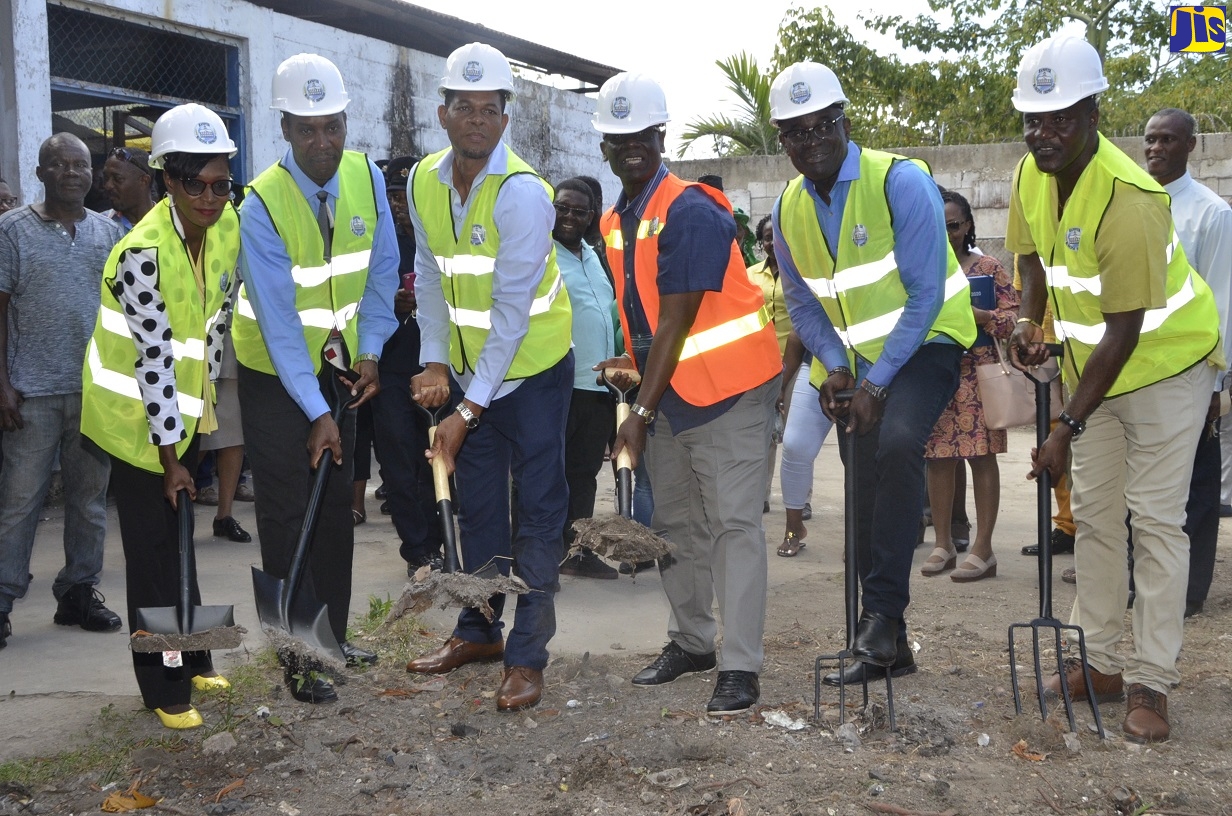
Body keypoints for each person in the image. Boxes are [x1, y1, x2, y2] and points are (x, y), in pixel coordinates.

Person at [1008, 36, 1222, 743]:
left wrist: (1064, 426)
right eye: (1033, 119)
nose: (1044, 133)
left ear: (1093, 112)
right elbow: (1033, 259)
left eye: (1060, 117)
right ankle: (1099, 664)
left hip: (1165, 368)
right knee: (1098, 519)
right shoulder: (1029, 174)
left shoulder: (1131, 197)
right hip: (1089, 372)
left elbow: (1125, 331)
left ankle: (1151, 681)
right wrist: (1031, 321)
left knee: (1155, 521)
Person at [768, 62, 976, 687]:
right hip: (857, 361)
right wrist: (836, 369)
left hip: (930, 340)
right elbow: (802, 303)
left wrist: (877, 384)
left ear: (845, 123)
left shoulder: (900, 181)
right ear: (782, 141)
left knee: (894, 441)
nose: (811, 142)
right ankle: (889, 644)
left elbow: (924, 295)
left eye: (822, 126)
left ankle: (883, 616)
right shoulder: (787, 207)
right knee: (860, 482)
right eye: (795, 133)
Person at [592, 73, 782, 716]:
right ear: (606, 149)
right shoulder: (617, 220)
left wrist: (637, 413)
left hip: (730, 393)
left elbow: (677, 318)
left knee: (733, 526)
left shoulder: (693, 209)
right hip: (671, 396)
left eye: (641, 135)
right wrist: (633, 366)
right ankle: (693, 641)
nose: (631, 147)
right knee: (676, 525)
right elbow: (645, 318)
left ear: (660, 135)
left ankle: (740, 665)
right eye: (618, 139)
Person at [404, 42, 574, 714]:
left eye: (488, 109)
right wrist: (436, 361)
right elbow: (431, 278)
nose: (475, 119)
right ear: (442, 114)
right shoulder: (424, 181)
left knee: (537, 514)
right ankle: (478, 630)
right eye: (462, 107)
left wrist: (465, 413)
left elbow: (509, 319)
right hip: (474, 374)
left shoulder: (523, 196)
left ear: (506, 120)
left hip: (531, 372)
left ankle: (527, 655)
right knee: (478, 514)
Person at [234, 53, 398, 702]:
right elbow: (278, 327)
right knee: (285, 512)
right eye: (308, 129)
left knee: (335, 506)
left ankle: (332, 637)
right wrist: (317, 412)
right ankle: (297, 657)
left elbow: (382, 272)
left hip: (340, 366)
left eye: (332, 126)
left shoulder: (366, 177)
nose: (323, 143)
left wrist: (373, 352)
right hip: (275, 377)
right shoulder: (259, 206)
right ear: (285, 130)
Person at [80, 105, 239, 728]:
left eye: (220, 184)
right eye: (193, 183)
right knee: (151, 554)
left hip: (186, 418)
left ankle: (199, 657)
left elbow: (214, 329)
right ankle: (165, 687)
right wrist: (172, 462)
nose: (208, 196)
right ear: (166, 179)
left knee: (183, 545)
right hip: (133, 426)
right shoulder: (140, 252)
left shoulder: (224, 230)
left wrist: (197, 429)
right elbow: (153, 363)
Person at [0, 133, 124, 650]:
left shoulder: (107, 233)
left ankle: (78, 591)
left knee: (89, 501)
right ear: (41, 172)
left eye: (81, 164)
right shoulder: (11, 230)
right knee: (18, 503)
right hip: (32, 392)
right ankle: (3, 600)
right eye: (61, 164)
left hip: (93, 391)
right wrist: (2, 383)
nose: (73, 172)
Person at [1142, 107, 1232, 619]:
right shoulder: (1135, 201)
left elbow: (1221, 302)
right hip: (1140, 367)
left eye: (1168, 140)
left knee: (1195, 483)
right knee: (1148, 484)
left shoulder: (1210, 214)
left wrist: (1218, 382)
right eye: (1151, 140)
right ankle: (1146, 577)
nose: (1156, 149)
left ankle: (1190, 591)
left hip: (1193, 372)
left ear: (1191, 146)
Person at [919, 191, 1019, 582]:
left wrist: (981, 315)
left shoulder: (990, 268)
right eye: (938, 227)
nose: (947, 235)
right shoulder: (919, 268)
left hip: (979, 375)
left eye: (954, 226)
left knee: (980, 457)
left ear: (968, 226)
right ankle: (942, 543)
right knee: (939, 458)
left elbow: (1013, 323)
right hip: (934, 373)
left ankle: (983, 548)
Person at [371, 155, 444, 575]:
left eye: (405, 195)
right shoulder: (377, 244)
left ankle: (440, 538)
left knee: (437, 456)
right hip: (393, 366)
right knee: (399, 460)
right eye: (392, 196)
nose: (400, 205)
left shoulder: (438, 237)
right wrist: (390, 305)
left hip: (440, 365)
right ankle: (417, 546)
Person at [553, 177, 619, 580]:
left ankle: (578, 551)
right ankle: (538, 555)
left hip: (599, 387)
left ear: (592, 216)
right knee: (548, 474)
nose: (570, 217)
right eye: (562, 208)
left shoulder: (594, 256)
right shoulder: (542, 255)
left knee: (584, 473)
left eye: (580, 210)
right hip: (559, 383)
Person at [100, 146, 156, 232]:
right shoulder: (99, 226)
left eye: (117, 178)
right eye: (106, 178)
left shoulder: (173, 223)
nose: (108, 185)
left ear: (144, 181)